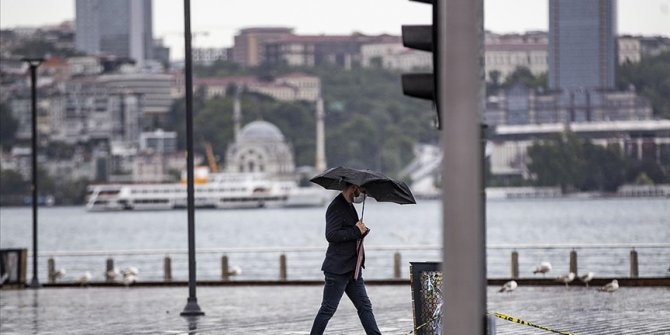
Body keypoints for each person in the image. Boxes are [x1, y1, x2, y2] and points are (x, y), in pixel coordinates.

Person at [310, 182, 381, 335]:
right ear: (353, 187)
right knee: (328, 309)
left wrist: (361, 231)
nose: (362, 193)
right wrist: (356, 231)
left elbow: (350, 231)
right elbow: (331, 235)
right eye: (362, 189)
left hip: (352, 269)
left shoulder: (349, 206)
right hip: (338, 270)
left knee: (364, 306)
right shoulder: (336, 207)